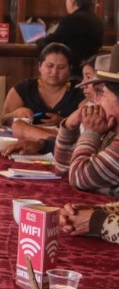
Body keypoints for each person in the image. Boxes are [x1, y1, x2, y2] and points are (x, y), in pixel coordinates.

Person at [52, 70, 119, 198]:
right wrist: (69, 127)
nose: (96, 103)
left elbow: (79, 178)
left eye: (102, 94)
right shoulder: (111, 133)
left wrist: (91, 132)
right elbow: (64, 169)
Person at [1, 43, 83, 132]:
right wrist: (15, 114)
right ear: (39, 66)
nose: (54, 71)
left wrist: (63, 122)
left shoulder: (80, 90)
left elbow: (86, 122)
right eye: (49, 66)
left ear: (70, 69)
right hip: (26, 140)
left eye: (61, 67)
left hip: (66, 142)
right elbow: (4, 120)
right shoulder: (24, 88)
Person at [36, 0, 104, 77]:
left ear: (72, 2)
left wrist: (37, 40)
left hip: (72, 72)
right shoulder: (97, 20)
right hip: (90, 71)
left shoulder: (72, 19)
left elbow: (51, 43)